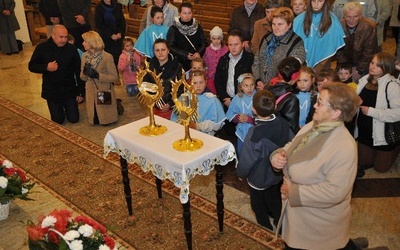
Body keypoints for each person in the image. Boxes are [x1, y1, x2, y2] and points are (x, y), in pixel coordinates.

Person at [270, 82, 360, 249]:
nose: (314, 105)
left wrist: (294, 191)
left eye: (320, 102)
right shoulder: (314, 124)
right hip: (300, 216)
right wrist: (278, 156)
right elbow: (293, 145)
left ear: (336, 113)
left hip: (316, 226)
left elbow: (335, 191)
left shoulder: (344, 146)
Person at [236, 89, 294, 231]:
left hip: (259, 178)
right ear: (275, 106)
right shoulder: (283, 123)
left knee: (257, 203)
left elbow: (247, 159)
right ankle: (280, 225)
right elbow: (292, 143)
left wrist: (240, 174)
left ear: (253, 110)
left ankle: (265, 227)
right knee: (274, 198)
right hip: (276, 174)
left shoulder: (254, 134)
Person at [28, 25, 84, 124]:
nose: (63, 40)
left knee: (74, 119)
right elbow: (32, 66)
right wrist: (46, 67)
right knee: (58, 120)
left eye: (65, 37)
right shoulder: (42, 48)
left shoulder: (71, 49)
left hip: (69, 89)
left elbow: (78, 71)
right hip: (52, 91)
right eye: (61, 37)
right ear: (53, 36)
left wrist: (80, 92)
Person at [355, 52, 400, 177]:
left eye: (378, 65)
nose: (372, 66)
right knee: (364, 162)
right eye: (372, 62)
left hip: (383, 134)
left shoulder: (392, 85)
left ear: (386, 68)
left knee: (381, 168)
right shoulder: (364, 80)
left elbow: (398, 113)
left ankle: (396, 147)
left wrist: (371, 111)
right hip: (365, 132)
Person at [252, 7, 305, 88]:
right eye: (273, 24)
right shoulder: (266, 38)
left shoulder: (296, 42)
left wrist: (270, 86)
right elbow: (257, 60)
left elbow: (290, 71)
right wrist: (258, 80)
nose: (276, 28)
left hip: (282, 89)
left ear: (289, 25)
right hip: (260, 86)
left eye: (280, 24)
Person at [293, 0, 345, 71]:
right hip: (302, 62)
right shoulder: (299, 19)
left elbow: (331, 45)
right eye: (313, 1)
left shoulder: (332, 20)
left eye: (320, 1)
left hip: (323, 63)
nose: (316, 4)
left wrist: (320, 66)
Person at [80, 31, 119, 125]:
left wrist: (98, 76)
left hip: (103, 90)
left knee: (105, 119)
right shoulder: (84, 56)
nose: (83, 43)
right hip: (90, 90)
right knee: (94, 118)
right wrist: (85, 73)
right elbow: (82, 77)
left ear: (92, 42)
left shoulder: (107, 57)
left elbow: (114, 77)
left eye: (85, 41)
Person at [171, 70, 226, 135]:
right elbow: (179, 117)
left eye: (201, 82)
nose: (198, 86)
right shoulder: (185, 97)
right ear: (189, 83)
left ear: (206, 82)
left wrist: (197, 126)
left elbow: (216, 124)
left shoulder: (212, 100)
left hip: (205, 136)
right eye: (195, 83)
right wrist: (184, 123)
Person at [335, 2, 378, 83]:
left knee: (359, 84)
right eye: (348, 16)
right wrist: (348, 68)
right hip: (343, 63)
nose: (352, 20)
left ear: (360, 15)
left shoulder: (369, 27)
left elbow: (369, 52)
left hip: (363, 64)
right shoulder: (338, 25)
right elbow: (338, 49)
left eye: (355, 16)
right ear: (344, 15)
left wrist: (358, 69)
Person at [215, 29, 254, 110]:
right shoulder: (223, 59)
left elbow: (252, 83)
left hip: (244, 102)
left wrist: (234, 100)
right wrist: (225, 98)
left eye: (236, 44)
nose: (233, 48)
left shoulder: (250, 60)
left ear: (243, 44)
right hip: (226, 101)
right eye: (230, 45)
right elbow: (218, 81)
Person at [147, 38, 183, 119]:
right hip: (155, 107)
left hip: (173, 109)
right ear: (154, 52)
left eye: (163, 49)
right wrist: (155, 100)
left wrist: (170, 103)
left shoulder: (177, 66)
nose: (160, 53)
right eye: (157, 50)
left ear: (168, 50)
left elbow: (181, 89)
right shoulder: (150, 67)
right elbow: (146, 85)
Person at [166, 2, 207, 71]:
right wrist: (185, 55)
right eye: (184, 13)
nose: (187, 16)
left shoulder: (197, 26)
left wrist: (198, 53)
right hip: (179, 62)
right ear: (179, 13)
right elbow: (170, 46)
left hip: (195, 62)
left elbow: (204, 43)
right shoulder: (173, 28)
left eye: (189, 13)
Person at [95, 0, 126, 85]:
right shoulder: (99, 8)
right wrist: (110, 35)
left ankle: (116, 75)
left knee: (117, 56)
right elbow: (99, 25)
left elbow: (122, 22)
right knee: (108, 57)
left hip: (117, 36)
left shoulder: (117, 6)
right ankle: (109, 75)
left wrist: (120, 32)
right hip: (106, 38)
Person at [268, 56, 301, 134]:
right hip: (281, 139)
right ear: (295, 76)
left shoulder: (269, 86)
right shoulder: (291, 99)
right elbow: (292, 128)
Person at [226, 73, 256, 155]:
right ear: (241, 87)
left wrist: (249, 119)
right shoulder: (237, 98)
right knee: (241, 153)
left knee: (253, 155)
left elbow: (263, 117)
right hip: (241, 132)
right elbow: (230, 114)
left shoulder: (258, 96)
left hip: (255, 133)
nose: (249, 88)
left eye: (252, 85)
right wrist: (238, 118)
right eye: (246, 86)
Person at [202, 26, 229, 94]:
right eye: (214, 38)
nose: (216, 41)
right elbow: (205, 64)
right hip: (211, 77)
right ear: (211, 39)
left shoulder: (226, 50)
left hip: (222, 77)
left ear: (221, 38)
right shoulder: (207, 50)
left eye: (218, 38)